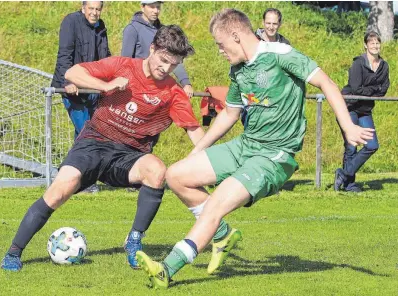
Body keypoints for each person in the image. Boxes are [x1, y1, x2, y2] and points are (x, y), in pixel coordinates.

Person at [135, 8, 374, 289]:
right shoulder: (238, 70)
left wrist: (348, 127)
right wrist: (198, 149)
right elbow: (229, 114)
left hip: (274, 156)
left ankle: (167, 268)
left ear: (235, 36)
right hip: (246, 145)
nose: (220, 51)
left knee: (216, 203)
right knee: (176, 174)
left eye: (220, 45)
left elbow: (327, 83)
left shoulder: (280, 54)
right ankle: (221, 235)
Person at [0, 25, 204, 272]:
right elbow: (73, 72)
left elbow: (194, 131)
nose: (166, 68)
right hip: (94, 142)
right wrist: (104, 86)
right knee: (59, 190)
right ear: (152, 49)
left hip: (129, 155)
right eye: (163, 60)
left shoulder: (173, 92)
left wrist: (211, 162)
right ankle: (13, 252)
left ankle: (134, 241)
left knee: (156, 169)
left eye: (174, 64)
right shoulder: (122, 66)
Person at [51, 1, 111, 193]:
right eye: (91, 9)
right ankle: (85, 180)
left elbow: (105, 58)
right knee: (88, 133)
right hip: (72, 89)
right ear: (83, 7)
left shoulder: (100, 27)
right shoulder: (71, 22)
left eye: (98, 9)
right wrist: (67, 81)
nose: (94, 13)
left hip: (92, 89)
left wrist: (109, 81)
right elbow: (64, 55)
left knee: (83, 135)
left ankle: (68, 178)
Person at [334, 31, 390, 192]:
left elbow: (383, 90)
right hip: (349, 107)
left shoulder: (384, 66)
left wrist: (370, 90)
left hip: (365, 109)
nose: (375, 46)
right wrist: (374, 89)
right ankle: (349, 184)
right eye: (371, 43)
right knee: (352, 146)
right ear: (366, 45)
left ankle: (343, 174)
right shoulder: (358, 63)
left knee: (372, 145)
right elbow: (356, 88)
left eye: (377, 43)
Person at [121, 0, 194, 98]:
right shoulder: (132, 29)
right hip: (138, 87)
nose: (156, 11)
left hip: (158, 87)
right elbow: (125, 61)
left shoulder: (165, 31)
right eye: (152, 7)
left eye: (158, 7)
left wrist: (186, 83)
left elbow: (174, 58)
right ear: (142, 7)